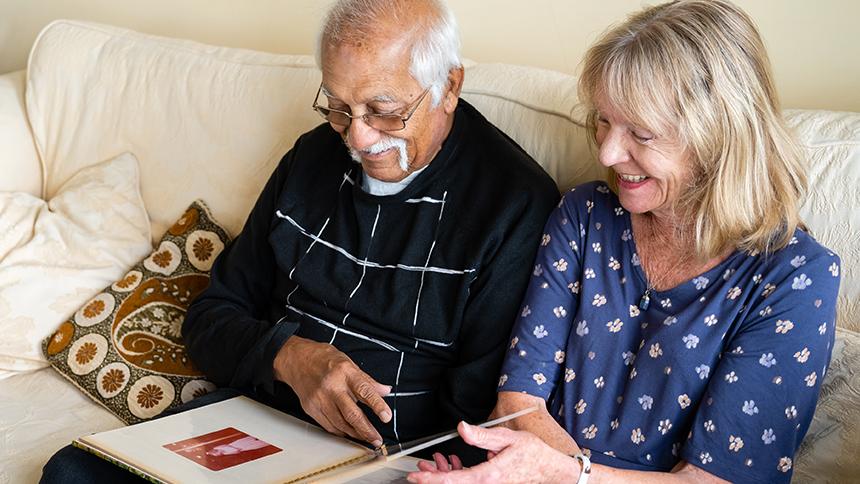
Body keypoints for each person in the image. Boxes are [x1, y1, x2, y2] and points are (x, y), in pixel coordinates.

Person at [40, 0, 558, 480]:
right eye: (337, 107)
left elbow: (483, 413)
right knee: (72, 472)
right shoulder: (312, 158)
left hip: (393, 457)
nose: (357, 138)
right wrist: (288, 357)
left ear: (449, 86)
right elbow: (210, 318)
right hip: (254, 423)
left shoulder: (513, 204)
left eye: (383, 110)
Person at [408, 1, 841, 483]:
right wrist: (517, 468)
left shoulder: (795, 278)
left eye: (641, 133)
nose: (609, 153)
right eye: (604, 121)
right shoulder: (586, 215)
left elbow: (714, 480)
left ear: (721, 137)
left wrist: (567, 476)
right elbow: (517, 403)